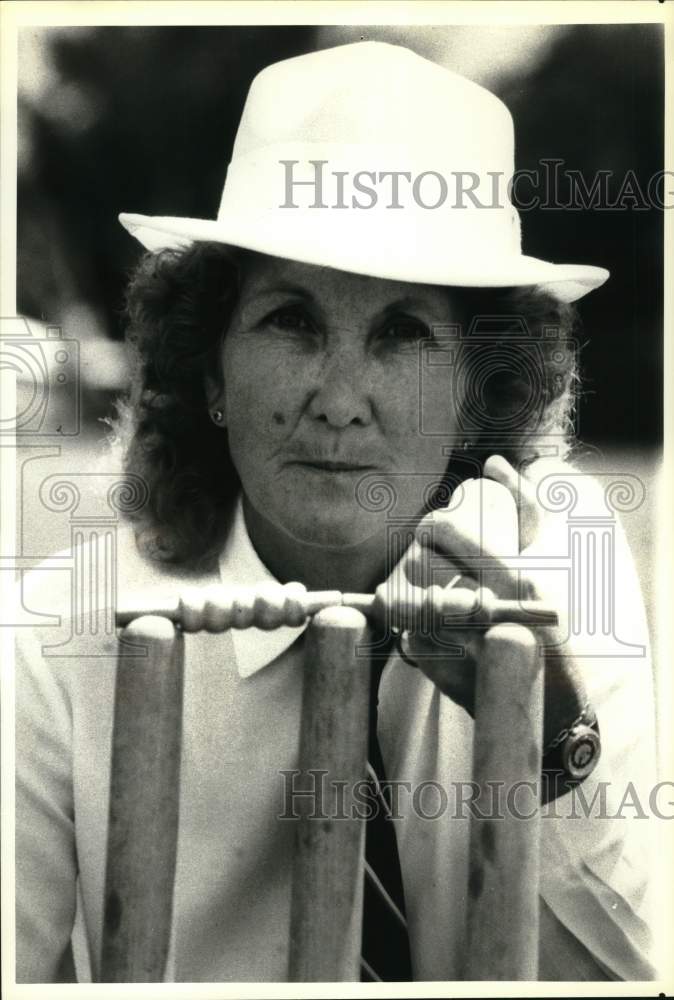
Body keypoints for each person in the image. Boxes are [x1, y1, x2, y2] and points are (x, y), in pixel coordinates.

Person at [15, 41, 657, 983]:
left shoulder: (561, 564)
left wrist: (556, 745)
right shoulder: (54, 638)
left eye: (402, 331)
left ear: (480, 391)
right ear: (209, 368)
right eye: (292, 322)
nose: (340, 397)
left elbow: (638, 966)